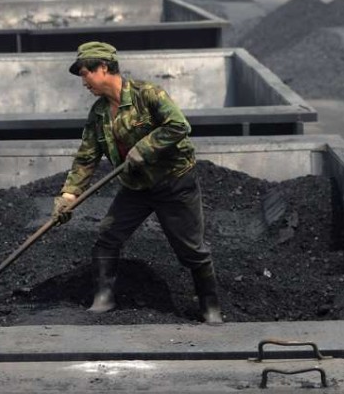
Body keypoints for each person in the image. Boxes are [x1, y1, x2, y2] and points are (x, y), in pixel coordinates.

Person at [52, 41, 223, 325]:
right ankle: (103, 298)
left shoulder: (148, 95)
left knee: (192, 250)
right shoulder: (98, 114)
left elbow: (179, 126)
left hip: (174, 183)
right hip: (136, 187)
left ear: (103, 68)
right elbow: (86, 157)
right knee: (107, 236)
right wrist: (69, 195)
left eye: (85, 73)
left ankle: (210, 307)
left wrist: (145, 148)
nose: (83, 82)